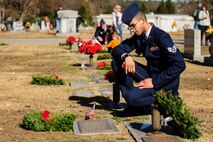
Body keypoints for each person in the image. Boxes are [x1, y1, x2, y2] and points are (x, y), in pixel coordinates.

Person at [111, 2, 186, 117]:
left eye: (132, 25)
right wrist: (126, 57)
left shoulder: (161, 37)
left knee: (131, 97)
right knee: (116, 62)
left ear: (142, 20)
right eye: (129, 27)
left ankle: (170, 100)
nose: (131, 30)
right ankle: (135, 105)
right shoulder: (139, 37)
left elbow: (180, 64)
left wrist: (154, 82)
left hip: (164, 82)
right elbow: (116, 50)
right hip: (150, 75)